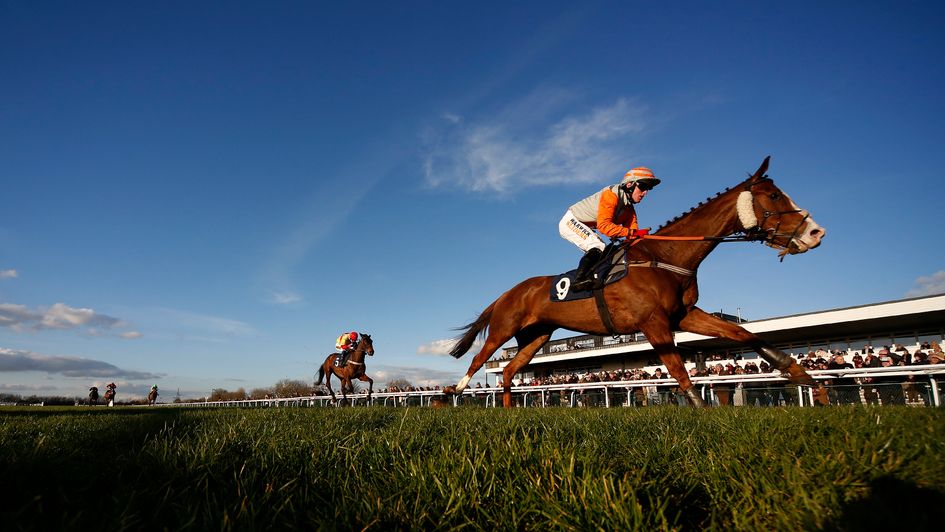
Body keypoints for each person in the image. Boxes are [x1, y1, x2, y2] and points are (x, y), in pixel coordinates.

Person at [559, 166, 661, 291]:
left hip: (585, 224)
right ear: (629, 185)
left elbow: (632, 237)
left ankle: (595, 277)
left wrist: (643, 239)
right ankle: (578, 281)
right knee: (598, 246)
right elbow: (604, 227)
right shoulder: (611, 195)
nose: (645, 193)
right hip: (571, 221)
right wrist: (632, 232)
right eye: (643, 187)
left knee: (609, 251)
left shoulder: (629, 209)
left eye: (648, 189)